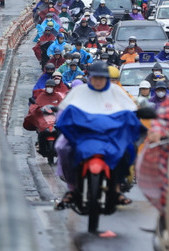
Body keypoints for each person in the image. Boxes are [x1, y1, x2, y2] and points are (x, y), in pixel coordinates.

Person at [54, 61, 141, 210]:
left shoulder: (116, 91)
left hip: (110, 136)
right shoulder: (79, 92)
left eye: (102, 78)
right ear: (90, 77)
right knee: (62, 147)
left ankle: (117, 188)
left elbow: (131, 111)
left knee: (129, 149)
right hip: (82, 135)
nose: (99, 81)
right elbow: (63, 111)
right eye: (96, 77)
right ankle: (72, 188)